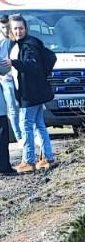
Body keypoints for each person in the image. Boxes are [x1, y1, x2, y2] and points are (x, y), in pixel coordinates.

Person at [3, 14, 55, 173]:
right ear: (11, 31)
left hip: (30, 94)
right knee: (39, 125)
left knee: (25, 125)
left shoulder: (27, 46)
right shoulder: (29, 42)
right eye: (15, 29)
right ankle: (47, 157)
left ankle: (29, 160)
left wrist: (14, 63)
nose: (18, 31)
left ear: (26, 28)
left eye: (21, 28)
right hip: (37, 92)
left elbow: (32, 65)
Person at [0, 16, 22, 146]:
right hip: (7, 78)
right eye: (2, 27)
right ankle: (19, 136)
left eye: (7, 27)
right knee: (12, 108)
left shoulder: (14, 40)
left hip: (18, 76)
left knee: (21, 107)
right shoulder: (2, 41)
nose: (5, 30)